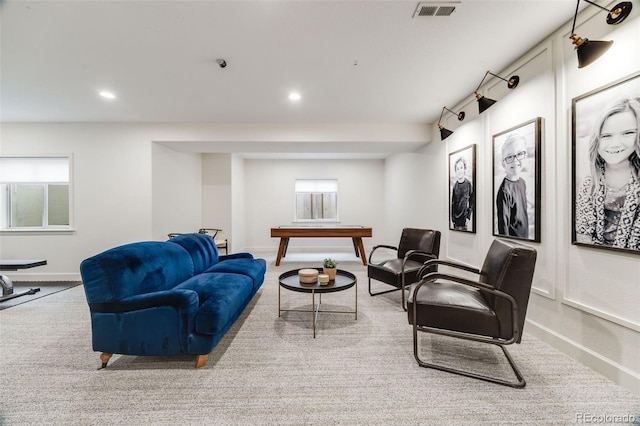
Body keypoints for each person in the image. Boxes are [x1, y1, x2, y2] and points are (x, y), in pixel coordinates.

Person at [575, 97, 640, 250]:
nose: (615, 143)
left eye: (628, 133)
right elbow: (582, 233)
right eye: (606, 135)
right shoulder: (589, 182)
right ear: (596, 139)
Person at [496, 133, 529, 238]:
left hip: (524, 237)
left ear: (525, 156)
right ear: (503, 164)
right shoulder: (504, 190)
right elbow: (503, 225)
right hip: (512, 243)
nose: (515, 160)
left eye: (519, 154)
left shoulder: (522, 183)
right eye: (509, 157)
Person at [451, 157, 473, 231]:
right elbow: (453, 204)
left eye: (461, 168)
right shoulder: (455, 187)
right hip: (456, 221)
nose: (459, 170)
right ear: (456, 171)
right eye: (457, 169)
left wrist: (468, 216)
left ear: (464, 169)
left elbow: (472, 201)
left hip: (465, 221)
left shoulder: (468, 184)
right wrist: (453, 218)